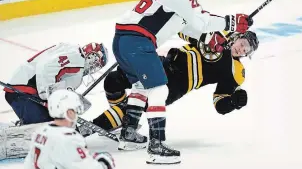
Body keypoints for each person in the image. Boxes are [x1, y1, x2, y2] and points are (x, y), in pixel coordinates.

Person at [111, 0, 252, 164]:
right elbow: (201, 20)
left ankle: (128, 134)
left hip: (122, 39)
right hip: (139, 42)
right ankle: (157, 146)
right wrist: (232, 21)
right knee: (159, 90)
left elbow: (185, 25)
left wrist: (208, 39)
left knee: (140, 86)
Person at [90, 30, 259, 144]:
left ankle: (90, 127)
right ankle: (121, 122)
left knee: (132, 107)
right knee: (113, 80)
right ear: (237, 36)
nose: (241, 49)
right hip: (162, 64)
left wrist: (233, 103)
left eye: (246, 49)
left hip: (175, 85)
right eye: (243, 43)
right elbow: (184, 29)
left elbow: (220, 104)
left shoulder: (235, 70)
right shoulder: (216, 36)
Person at [3, 42, 108, 125]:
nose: (94, 67)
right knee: (46, 129)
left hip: (24, 90)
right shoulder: (77, 58)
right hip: (22, 92)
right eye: (96, 62)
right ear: (91, 55)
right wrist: (48, 96)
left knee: (57, 125)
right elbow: (45, 67)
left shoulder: (71, 50)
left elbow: (57, 82)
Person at [23, 89, 116, 169]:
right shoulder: (69, 139)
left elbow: (29, 164)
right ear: (69, 112)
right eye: (74, 111)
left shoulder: (41, 132)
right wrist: (104, 163)